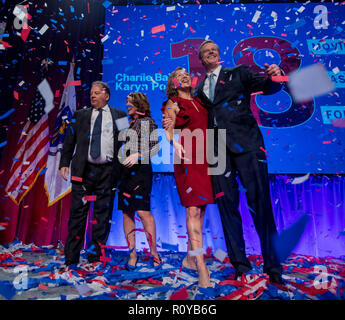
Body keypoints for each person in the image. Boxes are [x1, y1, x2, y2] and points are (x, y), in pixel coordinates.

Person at [196, 39, 284, 284]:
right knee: (227, 209)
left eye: (214, 49)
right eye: (206, 51)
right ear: (201, 59)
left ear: (219, 54)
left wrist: (275, 76)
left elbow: (268, 86)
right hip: (217, 153)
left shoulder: (239, 73)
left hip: (247, 146)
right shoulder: (199, 88)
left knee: (261, 205)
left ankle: (274, 268)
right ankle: (240, 265)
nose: (211, 52)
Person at [59, 81, 127, 266]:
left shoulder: (120, 115)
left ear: (107, 96)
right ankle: (71, 259)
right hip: (83, 172)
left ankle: (96, 258)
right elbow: (69, 141)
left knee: (102, 217)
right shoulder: (80, 115)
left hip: (107, 172)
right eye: (91, 93)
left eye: (97, 93)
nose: (93, 96)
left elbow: (125, 141)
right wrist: (64, 163)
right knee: (77, 215)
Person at [162, 67, 214, 288]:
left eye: (186, 73)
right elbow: (169, 127)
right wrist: (174, 142)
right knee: (192, 209)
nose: (184, 76)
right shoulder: (173, 103)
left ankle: (190, 258)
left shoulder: (201, 102)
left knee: (201, 210)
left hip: (206, 157)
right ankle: (201, 266)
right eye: (178, 75)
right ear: (173, 82)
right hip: (187, 157)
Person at [118, 92, 162, 270]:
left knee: (143, 212)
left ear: (139, 104)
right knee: (127, 212)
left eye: (130, 101)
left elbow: (154, 148)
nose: (127, 103)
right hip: (125, 173)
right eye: (126, 101)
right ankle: (132, 254)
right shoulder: (128, 123)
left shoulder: (147, 122)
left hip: (141, 172)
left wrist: (138, 155)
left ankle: (154, 253)